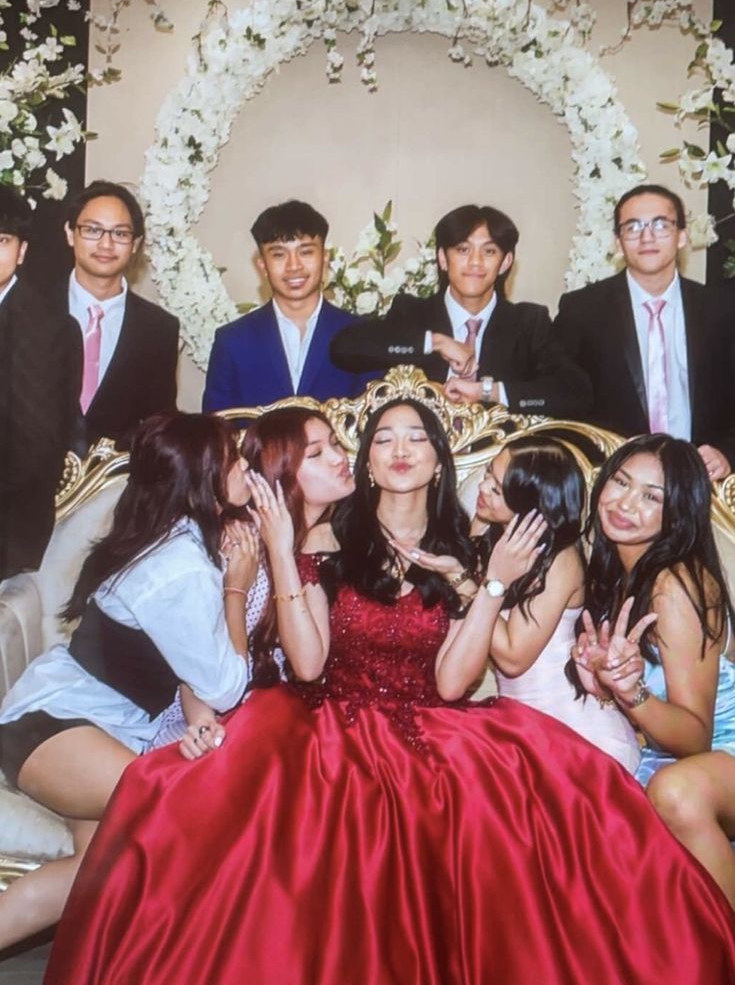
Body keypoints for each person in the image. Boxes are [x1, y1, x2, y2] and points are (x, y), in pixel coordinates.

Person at [46, 400, 735, 984]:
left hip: (438, 726)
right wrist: (286, 550)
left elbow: (452, 681)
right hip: (322, 722)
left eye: (416, 438)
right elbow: (309, 665)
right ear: (365, 460)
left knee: (502, 822)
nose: (400, 449)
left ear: (440, 459)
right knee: (211, 806)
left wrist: (488, 582)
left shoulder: (471, 546)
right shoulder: (325, 537)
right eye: (382, 438)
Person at [0, 413, 254, 949]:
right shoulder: (176, 567)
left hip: (91, 728)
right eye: (233, 457)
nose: (245, 465)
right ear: (202, 479)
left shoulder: (178, 536)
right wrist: (238, 588)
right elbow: (224, 686)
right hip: (55, 727)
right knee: (186, 811)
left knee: (93, 879)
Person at [571, 434, 735, 908]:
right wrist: (600, 689)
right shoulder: (612, 570)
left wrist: (630, 694)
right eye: (620, 482)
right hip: (662, 753)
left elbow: (694, 738)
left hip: (719, 750)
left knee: (675, 791)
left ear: (677, 512)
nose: (625, 503)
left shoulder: (675, 584)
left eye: (650, 497)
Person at [154, 406, 356, 753]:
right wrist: (202, 722)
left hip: (304, 716)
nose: (339, 458)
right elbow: (198, 659)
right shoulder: (242, 546)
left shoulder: (341, 537)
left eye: (337, 444)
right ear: (283, 473)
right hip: (228, 716)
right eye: (318, 453)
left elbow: (310, 664)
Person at [465, 436, 639, 772]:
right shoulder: (487, 533)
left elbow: (514, 657)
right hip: (521, 729)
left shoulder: (561, 560)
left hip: (578, 737)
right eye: (487, 474)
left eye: (497, 488)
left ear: (530, 505)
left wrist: (467, 580)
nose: (483, 488)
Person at [330, 204, 591, 418]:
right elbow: (344, 348)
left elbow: (575, 393)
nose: (475, 262)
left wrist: (488, 392)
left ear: (505, 262)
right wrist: (436, 342)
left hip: (497, 466)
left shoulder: (528, 323)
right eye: (463, 250)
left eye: (489, 251)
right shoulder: (411, 313)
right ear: (443, 259)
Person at [554, 184, 735, 481]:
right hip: (613, 481)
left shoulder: (721, 310)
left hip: (700, 480)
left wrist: (727, 453)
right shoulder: (582, 310)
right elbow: (563, 403)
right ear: (617, 241)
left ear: (682, 236)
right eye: (633, 227)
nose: (647, 237)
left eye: (661, 225)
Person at [202, 200, 375, 411]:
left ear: (325, 258)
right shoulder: (233, 342)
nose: (294, 266)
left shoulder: (362, 338)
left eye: (306, 252)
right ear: (263, 266)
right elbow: (217, 432)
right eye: (279, 255)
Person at [63, 180, 179, 455]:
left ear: (135, 244)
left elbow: (158, 424)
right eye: (92, 230)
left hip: (119, 486)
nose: (106, 243)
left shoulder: (159, 328)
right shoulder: (32, 308)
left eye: (120, 234)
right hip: (28, 488)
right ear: (70, 233)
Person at [0, 185, 79, 580]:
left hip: (11, 530)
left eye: (1, 240)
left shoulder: (48, 326)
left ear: (22, 250)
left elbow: (36, 442)